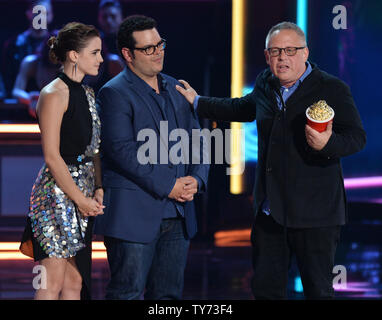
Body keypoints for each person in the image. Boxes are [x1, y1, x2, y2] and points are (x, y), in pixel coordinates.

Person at [176, 21, 366, 299]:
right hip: (270, 213)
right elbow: (243, 107)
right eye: (275, 51)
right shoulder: (266, 82)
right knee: (265, 291)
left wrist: (328, 144)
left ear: (305, 53)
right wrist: (198, 102)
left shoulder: (332, 88)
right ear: (267, 56)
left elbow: (357, 137)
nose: (282, 58)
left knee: (318, 291)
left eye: (290, 50)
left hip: (316, 216)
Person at [94, 15, 209, 300]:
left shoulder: (177, 87)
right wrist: (169, 185)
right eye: (148, 48)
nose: (158, 52)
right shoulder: (114, 93)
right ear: (127, 54)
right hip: (133, 213)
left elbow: (198, 141)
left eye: (160, 45)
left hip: (179, 214)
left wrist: (197, 179)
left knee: (168, 296)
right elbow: (121, 151)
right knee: (127, 293)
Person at [19, 22, 105, 300]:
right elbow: (52, 156)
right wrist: (80, 199)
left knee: (75, 283)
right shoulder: (53, 93)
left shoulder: (89, 94)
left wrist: (98, 188)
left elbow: (94, 149)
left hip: (84, 194)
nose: (101, 59)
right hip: (55, 195)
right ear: (74, 55)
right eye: (94, 53)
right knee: (52, 281)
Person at [2, 0, 54, 96]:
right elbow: (6, 77)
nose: (41, 18)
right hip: (18, 104)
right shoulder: (14, 45)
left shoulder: (56, 45)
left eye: (45, 13)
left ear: (51, 16)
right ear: (29, 14)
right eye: (37, 13)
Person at [12, 33, 59, 118]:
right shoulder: (31, 63)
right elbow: (16, 91)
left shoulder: (71, 67)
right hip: (29, 117)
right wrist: (30, 99)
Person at [83, 0, 124, 94]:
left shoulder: (131, 42)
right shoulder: (92, 41)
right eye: (105, 17)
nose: (109, 21)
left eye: (113, 16)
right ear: (99, 18)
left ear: (121, 18)